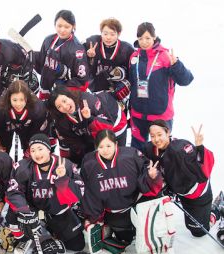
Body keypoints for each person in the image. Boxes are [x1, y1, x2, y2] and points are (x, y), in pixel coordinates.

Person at [80, 129, 163, 248]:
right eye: (101, 146)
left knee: (151, 229)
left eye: (109, 145)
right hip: (116, 211)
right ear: (96, 147)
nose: (105, 150)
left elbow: (146, 176)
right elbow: (90, 194)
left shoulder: (131, 155)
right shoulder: (89, 164)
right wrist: (94, 218)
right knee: (126, 239)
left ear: (116, 144)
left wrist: (152, 177)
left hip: (136, 203)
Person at [5, 134, 84, 254]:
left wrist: (63, 180)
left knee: (77, 245)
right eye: (33, 150)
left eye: (40, 149)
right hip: (32, 209)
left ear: (49, 149)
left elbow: (79, 192)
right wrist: (25, 212)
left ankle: (53, 229)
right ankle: (24, 238)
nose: (37, 154)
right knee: (12, 217)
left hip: (56, 210)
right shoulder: (23, 167)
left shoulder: (65, 164)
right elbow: (13, 191)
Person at [129, 22, 194, 150]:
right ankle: (140, 170)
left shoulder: (165, 56)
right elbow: (132, 83)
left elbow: (186, 80)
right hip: (138, 113)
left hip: (161, 114)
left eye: (147, 38)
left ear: (154, 37)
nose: (144, 42)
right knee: (137, 150)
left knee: (161, 149)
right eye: (140, 38)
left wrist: (176, 65)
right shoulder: (134, 57)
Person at [144, 120, 215, 237]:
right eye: (152, 136)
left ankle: (214, 212)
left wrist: (199, 148)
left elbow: (201, 172)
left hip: (197, 193)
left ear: (168, 133)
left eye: (160, 134)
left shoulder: (179, 149)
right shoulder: (151, 149)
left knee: (198, 232)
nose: (156, 139)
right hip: (180, 191)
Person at [46, 85, 127, 165]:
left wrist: (90, 118)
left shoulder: (89, 102)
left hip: (116, 125)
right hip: (92, 133)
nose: (65, 107)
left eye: (64, 101)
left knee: (116, 159)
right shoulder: (62, 121)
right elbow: (75, 143)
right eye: (59, 106)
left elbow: (108, 127)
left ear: (69, 96)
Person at [35, 10, 89, 100]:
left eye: (67, 27)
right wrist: (31, 56)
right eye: (59, 26)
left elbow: (82, 80)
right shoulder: (48, 40)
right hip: (45, 87)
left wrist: (61, 87)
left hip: (64, 95)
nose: (62, 30)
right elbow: (42, 66)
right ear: (54, 24)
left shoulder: (77, 49)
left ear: (73, 26)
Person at [0, 80, 48, 157]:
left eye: (22, 100)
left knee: (30, 152)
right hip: (6, 127)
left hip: (28, 129)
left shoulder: (38, 110)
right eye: (14, 100)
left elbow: (35, 132)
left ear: (27, 98)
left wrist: (30, 148)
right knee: (3, 150)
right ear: (9, 98)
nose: (18, 104)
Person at [84, 18, 134, 105]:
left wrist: (126, 84)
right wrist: (88, 57)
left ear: (119, 34)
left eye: (112, 34)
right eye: (105, 33)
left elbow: (134, 72)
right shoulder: (92, 42)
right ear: (101, 33)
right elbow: (79, 65)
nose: (108, 37)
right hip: (94, 92)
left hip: (116, 95)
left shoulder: (127, 49)